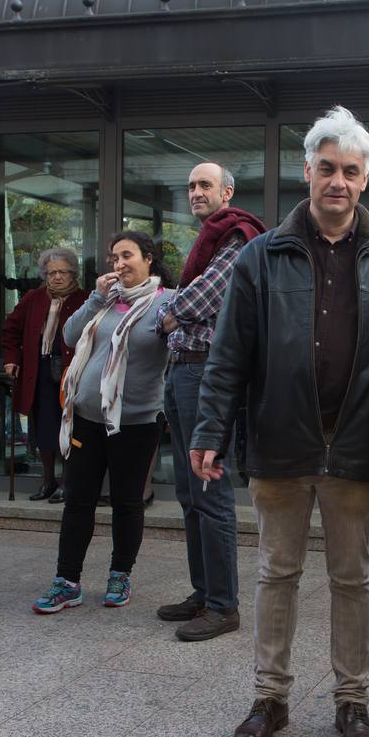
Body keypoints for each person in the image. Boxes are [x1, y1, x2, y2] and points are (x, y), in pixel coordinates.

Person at [192, 106, 369, 737]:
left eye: (351, 171)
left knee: (354, 580)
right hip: (280, 442)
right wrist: (210, 426)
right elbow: (229, 353)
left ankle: (353, 702)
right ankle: (271, 698)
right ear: (307, 171)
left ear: (366, 178)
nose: (338, 182)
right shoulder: (262, 257)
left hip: (357, 448)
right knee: (276, 574)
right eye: (327, 168)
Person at [30, 231, 174, 612]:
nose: (119, 264)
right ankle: (67, 581)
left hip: (137, 422)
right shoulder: (105, 300)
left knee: (128, 502)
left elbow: (181, 346)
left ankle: (119, 575)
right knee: (78, 501)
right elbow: (70, 335)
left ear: (149, 259)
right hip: (87, 418)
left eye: (127, 256)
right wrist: (96, 296)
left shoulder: (166, 303)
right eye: (114, 257)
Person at [155, 162, 266, 642]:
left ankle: (224, 606)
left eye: (204, 184)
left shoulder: (238, 236)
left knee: (210, 493)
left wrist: (166, 309)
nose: (196, 192)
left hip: (206, 374)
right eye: (191, 185)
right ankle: (203, 594)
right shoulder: (208, 240)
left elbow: (201, 300)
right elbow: (190, 299)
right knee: (187, 492)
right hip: (181, 370)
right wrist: (173, 310)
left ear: (228, 191)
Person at [1, 249, 89, 502]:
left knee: (70, 428)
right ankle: (48, 480)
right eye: (52, 273)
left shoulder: (84, 299)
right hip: (39, 373)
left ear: (73, 273)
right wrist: (11, 360)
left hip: (71, 374)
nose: (57, 277)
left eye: (63, 272)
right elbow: (10, 331)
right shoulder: (33, 298)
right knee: (44, 430)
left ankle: (67, 482)